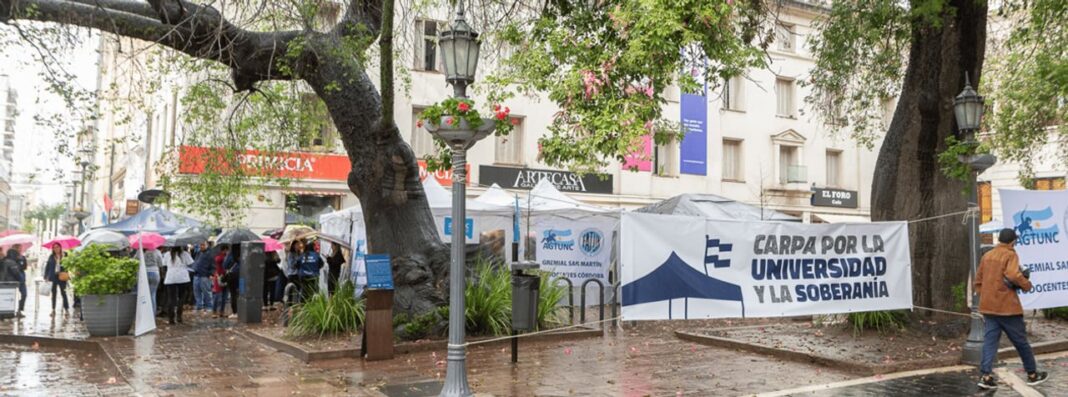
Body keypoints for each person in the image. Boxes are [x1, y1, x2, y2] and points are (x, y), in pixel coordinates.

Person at [975, 228, 1049, 389]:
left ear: (999, 239)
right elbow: (1014, 275)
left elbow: (978, 280)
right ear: (1012, 241)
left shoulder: (987, 256)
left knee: (990, 342)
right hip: (1007, 308)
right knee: (1021, 342)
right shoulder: (1010, 254)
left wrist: (987, 295)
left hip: (989, 308)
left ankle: (985, 376)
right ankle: (1032, 374)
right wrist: (1027, 284)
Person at [162, 246, 193, 324]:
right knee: (181, 297)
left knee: (171, 298)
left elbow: (164, 265)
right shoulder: (185, 254)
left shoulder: (167, 254)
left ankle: (171, 318)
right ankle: (179, 316)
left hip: (170, 278)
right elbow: (190, 264)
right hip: (183, 277)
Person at [43, 244, 70, 316]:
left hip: (62, 276)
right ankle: (53, 310)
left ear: (60, 247)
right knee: (53, 294)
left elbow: (68, 265)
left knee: (63, 293)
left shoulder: (65, 255)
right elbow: (47, 267)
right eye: (54, 248)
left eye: (57, 247)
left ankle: (66, 309)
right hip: (53, 277)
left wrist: (63, 259)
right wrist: (46, 276)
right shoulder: (51, 256)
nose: (56, 249)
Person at [192, 242, 215, 313]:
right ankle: (199, 306)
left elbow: (213, 265)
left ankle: (209, 306)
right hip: (197, 274)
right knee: (197, 291)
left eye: (203, 245)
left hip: (205, 275)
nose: (201, 246)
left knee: (207, 292)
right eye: (200, 245)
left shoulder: (210, 253)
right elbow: (196, 262)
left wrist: (211, 274)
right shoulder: (198, 253)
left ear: (207, 245)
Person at [5, 246, 28, 316]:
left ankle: (20, 309)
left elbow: (25, 267)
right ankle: (10, 311)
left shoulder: (22, 257)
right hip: (14, 280)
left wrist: (21, 262)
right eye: (17, 248)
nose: (19, 249)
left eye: (20, 248)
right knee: (12, 296)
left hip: (21, 278)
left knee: (24, 294)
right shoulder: (10, 257)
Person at [222, 245, 242, 318]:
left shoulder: (231, 254)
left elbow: (225, 265)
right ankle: (242, 310)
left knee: (233, 294)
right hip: (242, 276)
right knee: (241, 292)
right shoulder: (243, 253)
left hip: (232, 276)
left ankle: (235, 312)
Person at [211, 245, 230, 318]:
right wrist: (226, 257)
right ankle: (214, 311)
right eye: (226, 250)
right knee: (217, 295)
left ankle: (222, 311)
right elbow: (218, 260)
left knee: (224, 296)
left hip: (225, 277)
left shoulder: (226, 257)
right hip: (219, 277)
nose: (227, 252)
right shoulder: (220, 257)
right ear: (223, 250)